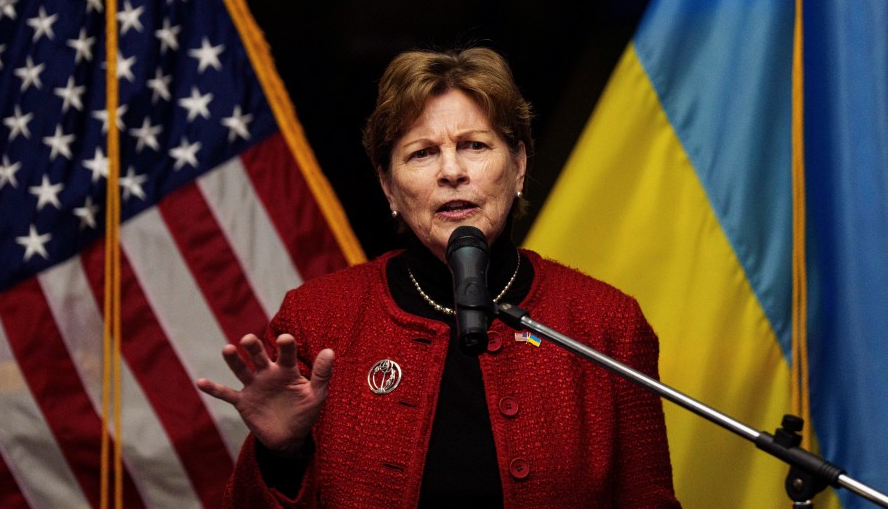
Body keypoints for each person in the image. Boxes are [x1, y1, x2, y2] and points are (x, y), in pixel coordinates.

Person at [197, 47, 681, 508]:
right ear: (389, 185)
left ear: (518, 167)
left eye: (474, 145)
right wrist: (281, 455)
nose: (452, 171)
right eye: (423, 153)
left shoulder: (606, 322)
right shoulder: (317, 319)